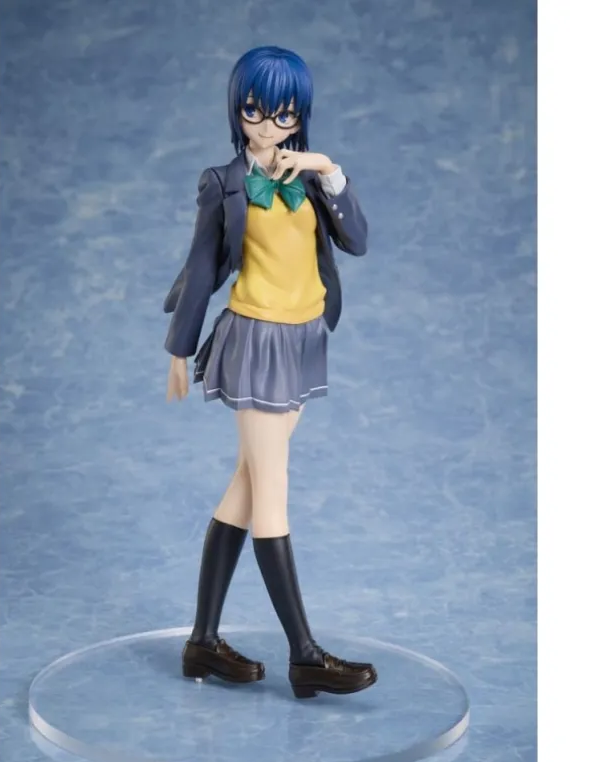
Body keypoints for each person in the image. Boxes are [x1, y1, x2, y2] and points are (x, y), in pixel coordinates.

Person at [163, 45, 377, 699]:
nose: (267, 125)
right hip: (256, 342)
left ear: (299, 117)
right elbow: (202, 267)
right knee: (272, 493)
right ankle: (305, 655)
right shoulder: (223, 183)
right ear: (237, 109)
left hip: (304, 338)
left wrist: (327, 168)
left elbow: (358, 240)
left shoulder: (308, 177)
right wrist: (179, 349)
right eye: (255, 110)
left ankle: (202, 643)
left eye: (283, 114)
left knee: (248, 486)